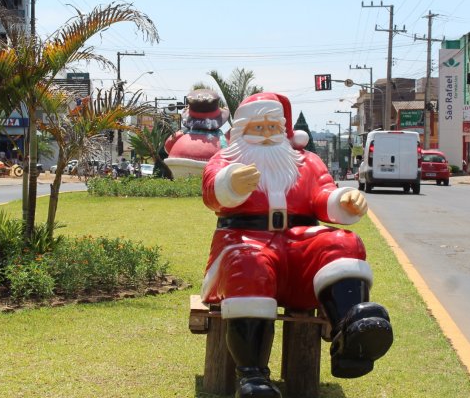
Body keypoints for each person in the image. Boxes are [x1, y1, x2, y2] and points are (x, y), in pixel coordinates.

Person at [201, 93, 392, 397]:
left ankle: (350, 335)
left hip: (296, 250)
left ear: (284, 131)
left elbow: (323, 195)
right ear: (241, 131)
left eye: (272, 128)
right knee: (249, 262)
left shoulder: (307, 162)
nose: (266, 136)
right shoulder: (225, 161)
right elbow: (212, 192)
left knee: (343, 243)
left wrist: (343, 201)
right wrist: (229, 185)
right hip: (244, 242)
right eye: (258, 128)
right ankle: (252, 377)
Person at [164, 89, 230, 177]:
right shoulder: (222, 137)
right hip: (213, 166)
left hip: (177, 162)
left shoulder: (181, 133)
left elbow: (168, 146)